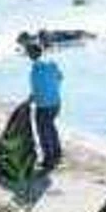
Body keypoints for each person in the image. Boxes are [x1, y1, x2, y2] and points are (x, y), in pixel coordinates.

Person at [26, 41, 63, 171]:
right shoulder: (52, 63)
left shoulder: (35, 69)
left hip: (44, 106)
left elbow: (37, 90)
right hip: (56, 103)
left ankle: (49, 159)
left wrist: (29, 101)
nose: (28, 54)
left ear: (32, 54)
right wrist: (53, 89)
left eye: (29, 52)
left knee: (43, 131)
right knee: (51, 127)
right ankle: (57, 153)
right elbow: (60, 77)